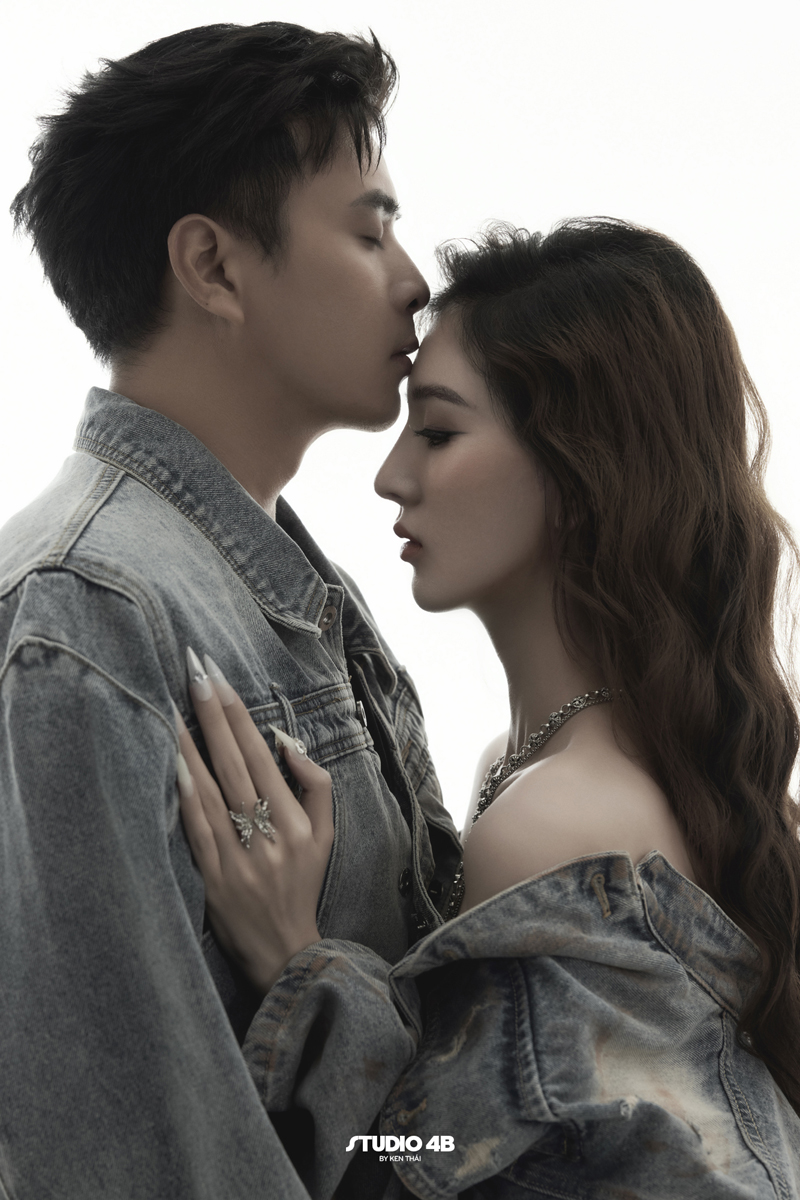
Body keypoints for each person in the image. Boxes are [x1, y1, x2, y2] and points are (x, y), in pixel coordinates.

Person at [177, 219, 800, 1199]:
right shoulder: (551, 766)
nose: (391, 475)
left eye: (437, 431)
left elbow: (431, 1171)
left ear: (580, 469)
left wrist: (296, 959)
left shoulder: (555, 819)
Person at [0, 21, 463, 1200]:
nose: (414, 280)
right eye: (368, 229)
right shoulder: (89, 616)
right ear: (211, 265)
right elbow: (135, 1161)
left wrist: (306, 967)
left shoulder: (293, 593)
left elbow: (430, 1141)